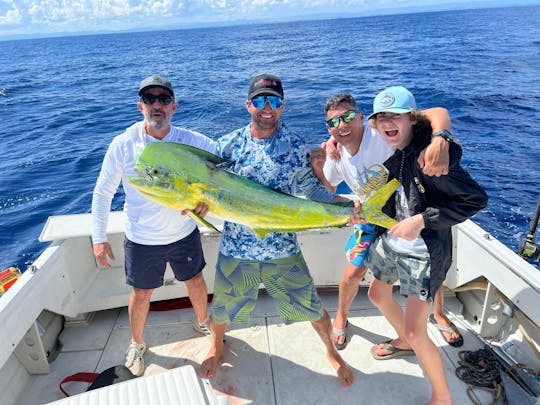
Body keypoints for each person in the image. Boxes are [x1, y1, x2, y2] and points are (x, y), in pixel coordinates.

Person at [200, 73, 355, 387]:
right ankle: (216, 345)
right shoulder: (226, 146)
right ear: (248, 105)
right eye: (260, 100)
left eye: (274, 101)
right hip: (237, 248)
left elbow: (313, 192)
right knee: (223, 309)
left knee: (311, 308)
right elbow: (209, 189)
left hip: (281, 248)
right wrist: (198, 203)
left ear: (283, 106)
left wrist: (346, 208)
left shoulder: (297, 146)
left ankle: (331, 352)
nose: (267, 107)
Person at [364, 86, 488, 404]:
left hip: (423, 253)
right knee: (377, 293)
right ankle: (405, 341)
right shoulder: (398, 154)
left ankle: (442, 397)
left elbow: (475, 199)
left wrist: (422, 220)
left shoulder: (429, 155)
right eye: (381, 118)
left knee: (419, 331)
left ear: (411, 120)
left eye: (396, 117)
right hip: (392, 243)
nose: (387, 122)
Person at [91, 75, 217, 376]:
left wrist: (208, 200)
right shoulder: (123, 144)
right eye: (150, 99)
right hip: (142, 238)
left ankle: (203, 322)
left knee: (196, 281)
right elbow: (102, 192)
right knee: (141, 294)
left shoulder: (192, 141)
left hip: (184, 232)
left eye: (163, 99)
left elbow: (228, 163)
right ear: (140, 106)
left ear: (174, 106)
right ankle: (137, 343)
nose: (156, 105)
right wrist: (99, 237)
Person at [318, 94, 461, 350]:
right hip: (372, 219)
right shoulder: (336, 154)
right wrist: (322, 152)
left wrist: (441, 139)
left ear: (363, 118)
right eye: (334, 122)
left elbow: (437, 111)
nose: (342, 125)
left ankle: (438, 314)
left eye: (348, 117)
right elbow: (327, 185)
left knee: (431, 269)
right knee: (353, 273)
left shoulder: (380, 135)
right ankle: (341, 316)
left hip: (408, 212)